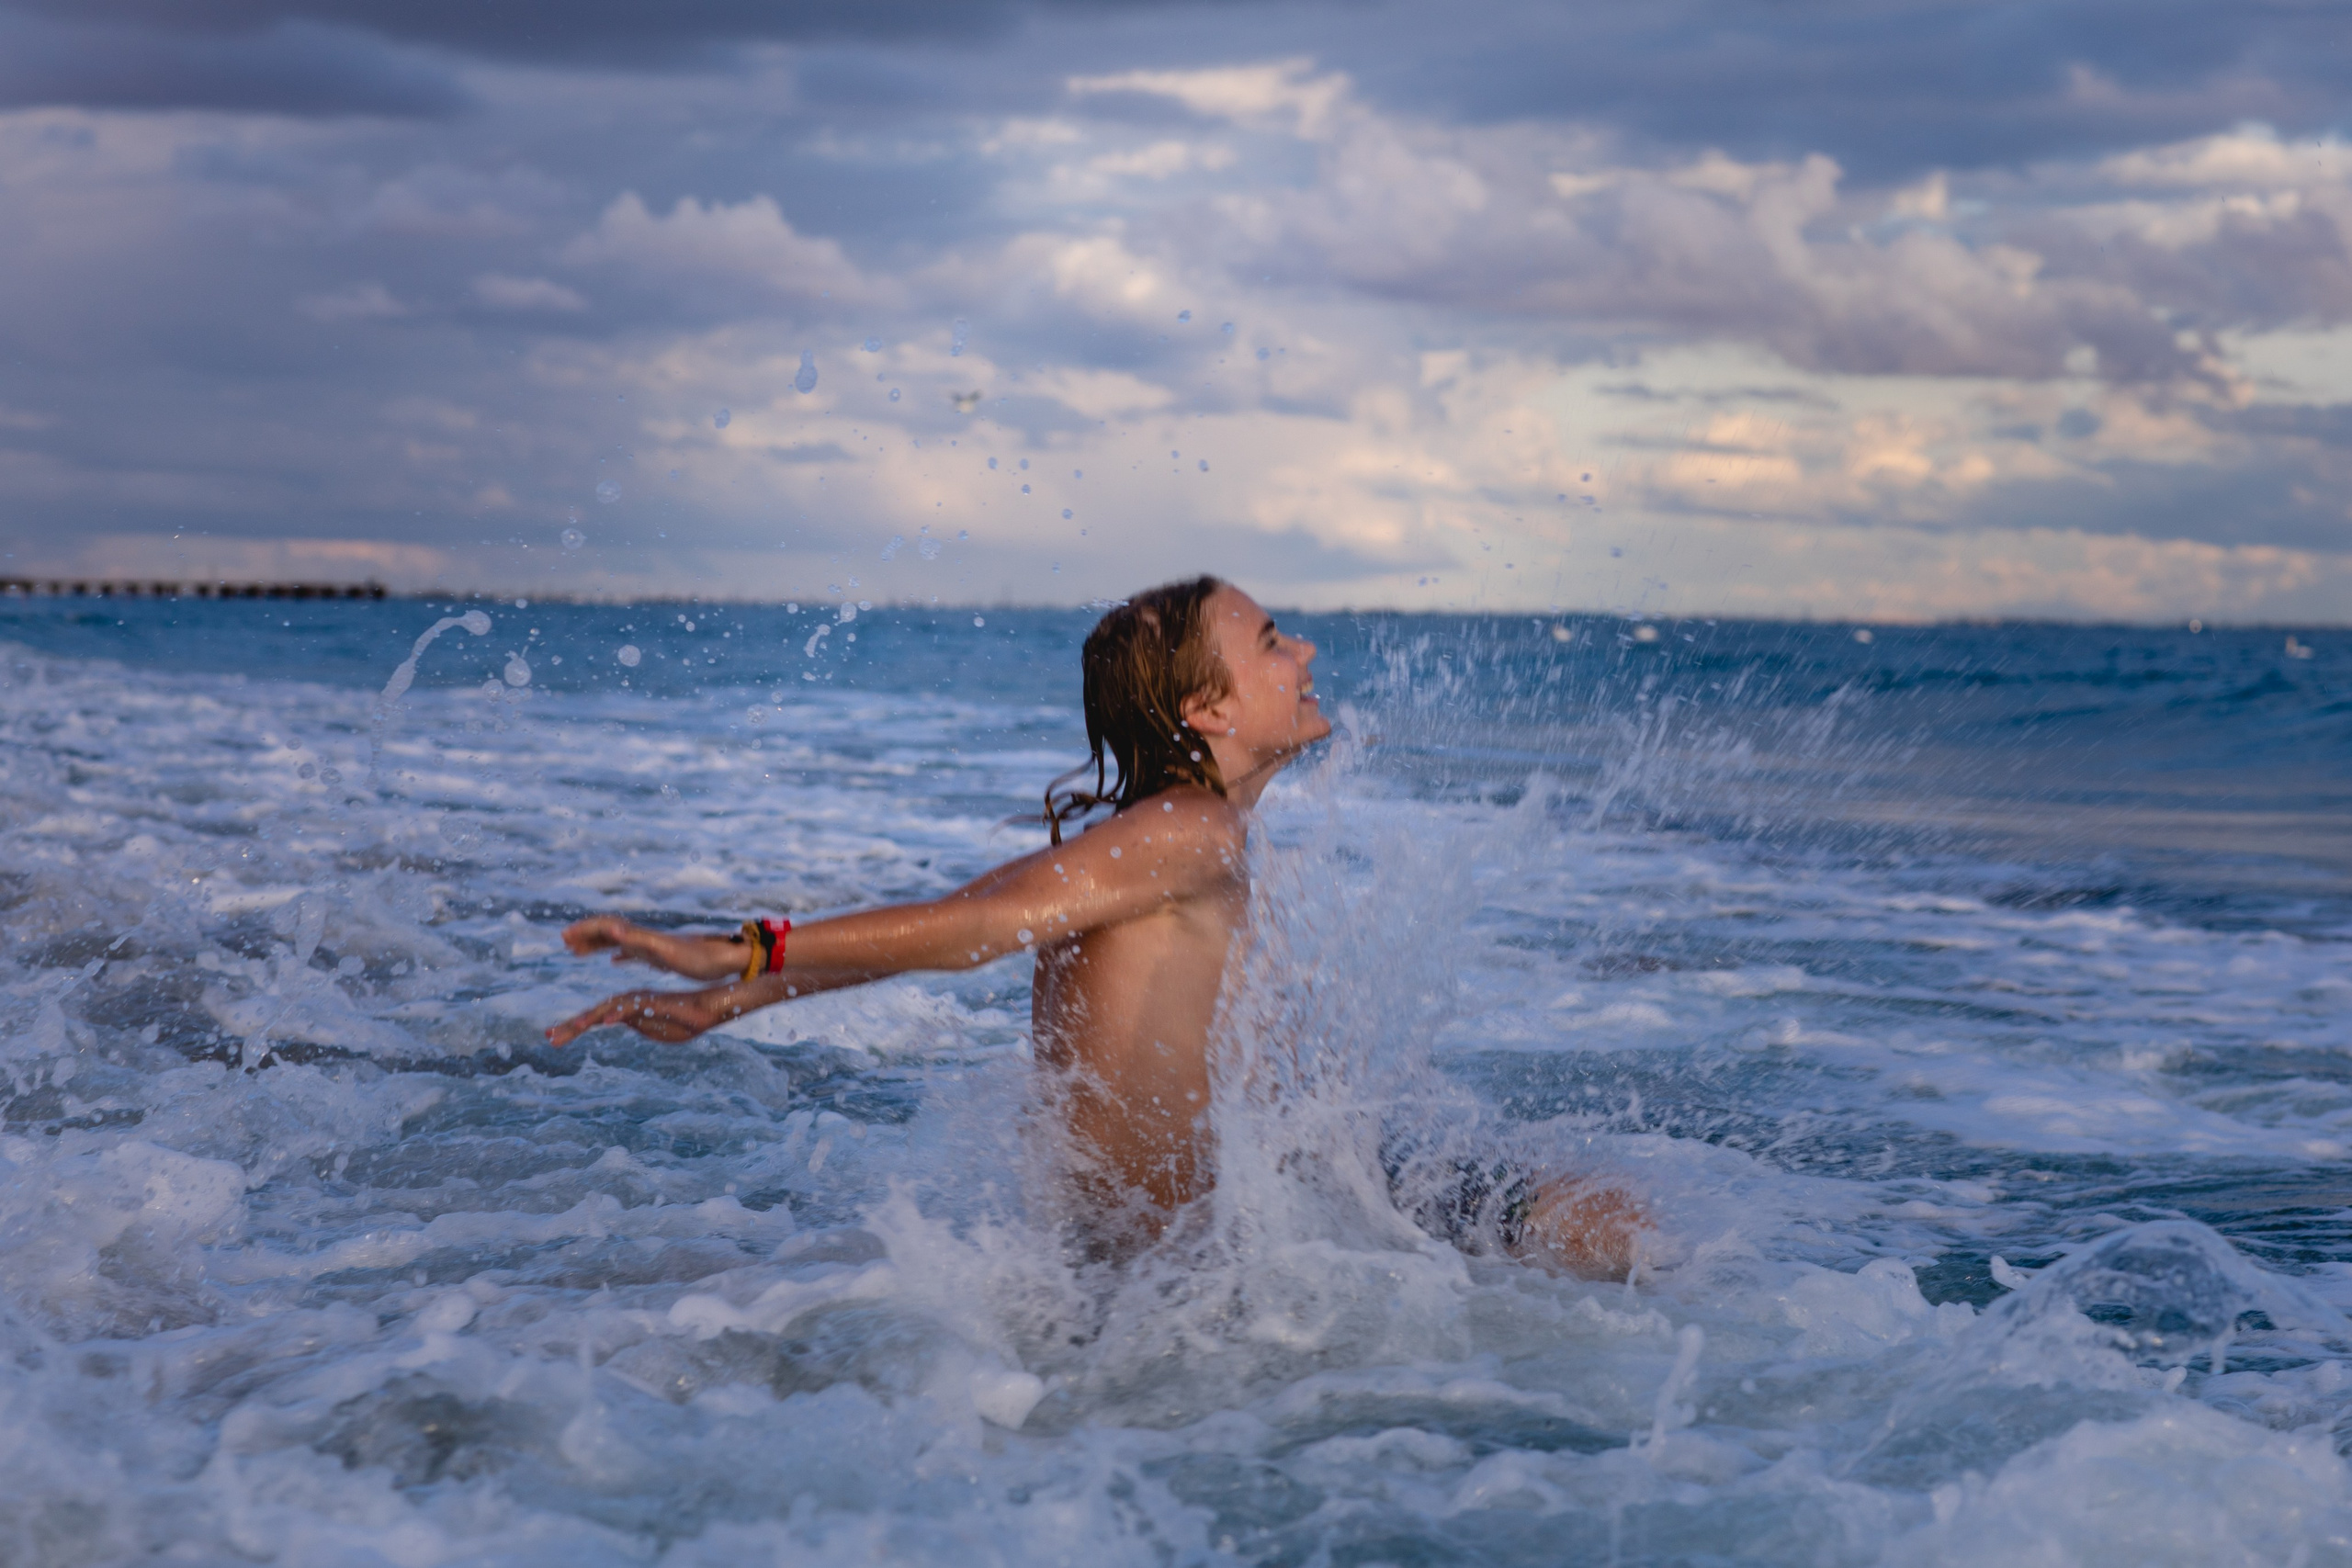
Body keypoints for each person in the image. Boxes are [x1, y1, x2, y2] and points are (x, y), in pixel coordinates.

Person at [546, 576, 1645, 1276]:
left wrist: (732, 1000)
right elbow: (974, 925)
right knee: (1621, 1233)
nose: (1304, 650)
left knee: (1581, 1207)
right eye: (1270, 642)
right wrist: (741, 950)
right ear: (1208, 710)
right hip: (1177, 1283)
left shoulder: (1156, 836)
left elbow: (961, 920)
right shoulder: (1190, 832)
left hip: (1152, 1255)